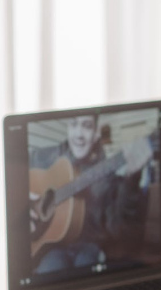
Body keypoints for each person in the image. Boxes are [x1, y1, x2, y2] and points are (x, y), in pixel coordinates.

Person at [28, 114, 153, 274]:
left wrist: (131, 181)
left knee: (87, 271)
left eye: (86, 126)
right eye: (73, 124)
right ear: (67, 128)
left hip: (90, 249)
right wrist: (22, 206)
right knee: (49, 272)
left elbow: (120, 230)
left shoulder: (108, 175)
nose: (79, 134)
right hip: (52, 249)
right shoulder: (43, 158)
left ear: (96, 133)